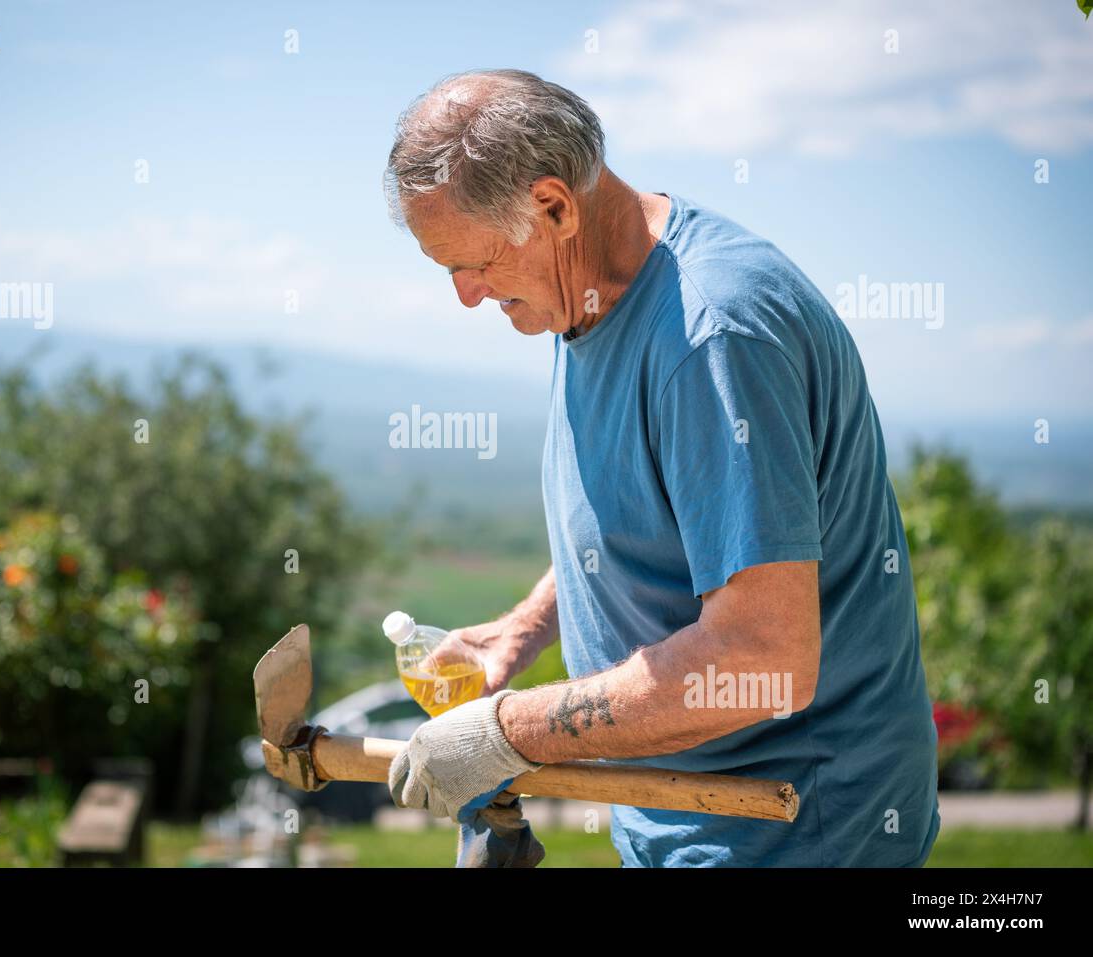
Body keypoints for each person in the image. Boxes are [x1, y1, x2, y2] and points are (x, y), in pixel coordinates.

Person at [380, 69, 940, 867]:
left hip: (794, 829)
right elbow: (660, 513)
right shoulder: (583, 295)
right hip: (680, 808)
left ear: (553, 207)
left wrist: (505, 733)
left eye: (470, 265)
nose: (468, 297)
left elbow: (761, 659)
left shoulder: (712, 337)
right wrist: (526, 625)